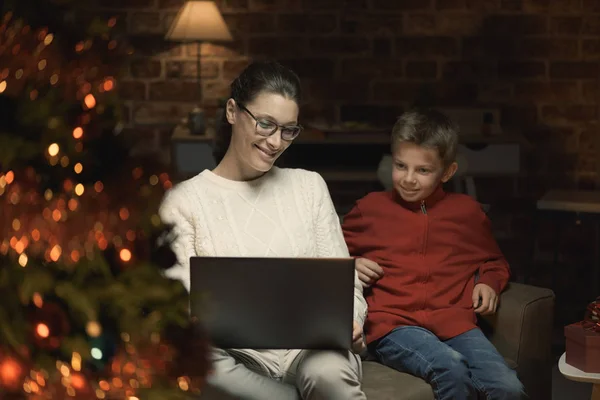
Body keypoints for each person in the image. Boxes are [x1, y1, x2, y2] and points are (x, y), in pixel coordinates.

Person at [159, 60, 367, 400]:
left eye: (289, 130)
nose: (275, 142)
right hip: (232, 357)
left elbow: (347, 286)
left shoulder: (308, 187)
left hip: (310, 350)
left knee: (329, 374)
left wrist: (351, 323)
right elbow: (176, 307)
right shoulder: (184, 201)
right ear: (232, 111)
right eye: (266, 124)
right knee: (197, 360)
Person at [342, 109, 525, 400]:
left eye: (423, 170)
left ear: (448, 172)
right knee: (450, 368)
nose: (409, 179)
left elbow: (493, 259)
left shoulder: (467, 213)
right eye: (401, 166)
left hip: (455, 323)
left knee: (509, 388)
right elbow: (325, 250)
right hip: (392, 326)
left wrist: (488, 282)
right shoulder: (370, 209)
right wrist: (352, 264)